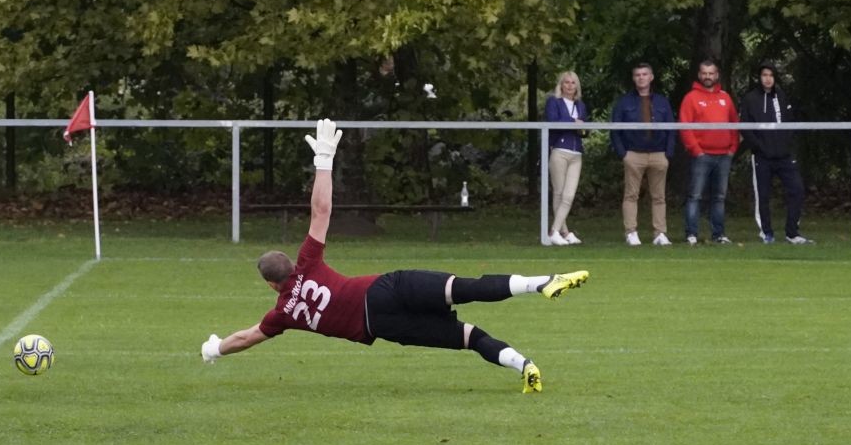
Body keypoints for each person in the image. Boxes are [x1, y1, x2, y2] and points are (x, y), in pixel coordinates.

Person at [202, 119, 588, 393]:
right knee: (466, 287)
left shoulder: (282, 313)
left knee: (468, 337)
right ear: (290, 263)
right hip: (387, 288)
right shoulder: (307, 262)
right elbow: (321, 211)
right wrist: (323, 160)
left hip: (383, 326)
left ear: (272, 284)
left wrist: (215, 348)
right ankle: (540, 283)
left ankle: (525, 365)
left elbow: (247, 337)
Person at [738, 62, 811, 245]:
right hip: (762, 157)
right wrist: (759, 147)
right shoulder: (750, 99)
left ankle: (792, 233)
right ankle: (767, 233)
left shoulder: (782, 96)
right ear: (759, 77)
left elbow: (790, 122)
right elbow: (745, 128)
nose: (768, 78)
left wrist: (785, 144)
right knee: (763, 195)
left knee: (797, 189)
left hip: (784, 156)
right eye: (764, 74)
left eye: (771, 75)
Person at [607, 62, 675, 246]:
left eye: (645, 74)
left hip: (658, 154)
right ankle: (631, 232)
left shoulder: (662, 101)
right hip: (633, 154)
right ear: (633, 78)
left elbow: (672, 128)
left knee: (659, 196)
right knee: (631, 195)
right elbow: (615, 130)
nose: (641, 77)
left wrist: (668, 153)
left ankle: (660, 233)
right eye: (638, 74)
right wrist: (623, 153)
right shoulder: (624, 102)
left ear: (651, 77)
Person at [679, 58, 740, 245]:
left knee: (719, 198)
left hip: (724, 155)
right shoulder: (691, 98)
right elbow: (684, 126)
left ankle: (719, 234)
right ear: (699, 75)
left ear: (717, 75)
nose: (707, 76)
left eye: (711, 73)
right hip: (702, 155)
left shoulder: (725, 97)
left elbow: (735, 124)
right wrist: (696, 150)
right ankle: (691, 234)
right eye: (704, 73)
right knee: (695, 196)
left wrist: (732, 148)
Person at [543, 70, 590, 246]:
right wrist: (573, 123)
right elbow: (554, 121)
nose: (570, 86)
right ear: (561, 85)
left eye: (573, 83)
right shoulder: (553, 102)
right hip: (559, 151)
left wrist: (581, 127)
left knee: (569, 195)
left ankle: (559, 230)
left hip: (576, 152)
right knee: (559, 192)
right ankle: (559, 231)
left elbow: (584, 129)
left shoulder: (580, 105)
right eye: (566, 82)